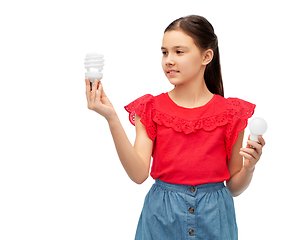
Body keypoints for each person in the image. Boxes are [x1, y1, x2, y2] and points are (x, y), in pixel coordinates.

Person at [85, 15, 265, 240]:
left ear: (206, 56)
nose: (168, 60)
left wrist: (249, 167)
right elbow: (139, 174)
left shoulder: (231, 113)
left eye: (179, 52)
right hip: (161, 220)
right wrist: (111, 118)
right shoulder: (150, 108)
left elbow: (234, 187)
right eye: (164, 52)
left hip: (215, 221)